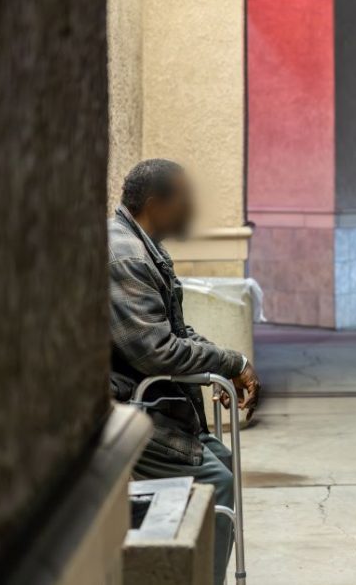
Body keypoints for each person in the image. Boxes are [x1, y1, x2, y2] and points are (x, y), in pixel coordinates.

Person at [108, 159, 260, 585]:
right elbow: (157, 352)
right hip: (130, 409)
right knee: (215, 483)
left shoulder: (145, 242)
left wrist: (228, 363)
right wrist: (229, 363)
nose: (191, 210)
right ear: (156, 205)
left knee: (224, 463)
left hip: (160, 403)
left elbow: (178, 330)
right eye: (184, 201)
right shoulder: (125, 255)